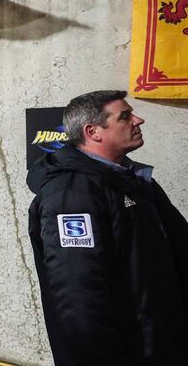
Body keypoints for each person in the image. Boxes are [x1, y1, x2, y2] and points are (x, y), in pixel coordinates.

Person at [27, 90, 188, 365]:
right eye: (125, 116)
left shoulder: (132, 179)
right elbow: (79, 297)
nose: (138, 120)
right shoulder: (71, 195)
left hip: (161, 343)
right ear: (93, 132)